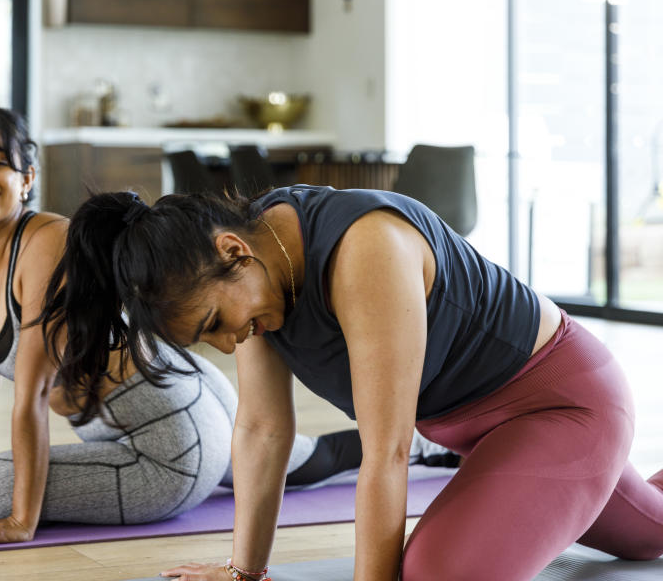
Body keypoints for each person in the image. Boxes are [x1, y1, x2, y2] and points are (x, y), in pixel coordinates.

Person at [0, 106, 444, 549]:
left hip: (167, 429)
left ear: (26, 176)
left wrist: (20, 519)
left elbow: (31, 394)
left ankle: (426, 447)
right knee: (295, 457)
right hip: (181, 392)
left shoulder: (45, 243)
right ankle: (434, 447)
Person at [46, 185, 663, 581]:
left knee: (436, 575)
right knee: (647, 535)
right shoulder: (257, 274)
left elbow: (386, 453)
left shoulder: (368, 249)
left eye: (216, 324)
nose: (229, 343)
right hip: (483, 436)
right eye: (208, 340)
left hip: (562, 408)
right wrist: (244, 572)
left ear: (233, 249)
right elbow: (262, 431)